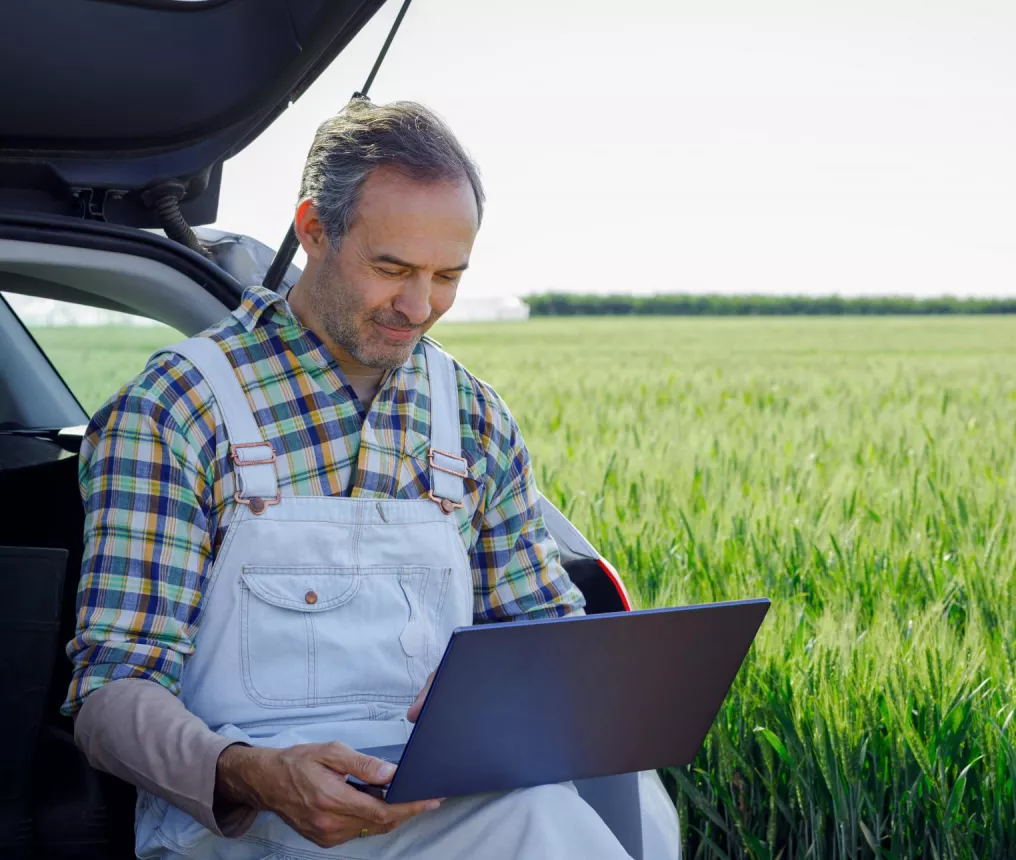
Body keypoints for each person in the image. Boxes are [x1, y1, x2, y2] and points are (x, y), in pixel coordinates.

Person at [65, 98, 636, 859]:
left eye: (447, 276)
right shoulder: (177, 409)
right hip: (242, 835)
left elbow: (546, 633)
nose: (419, 306)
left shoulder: (474, 418)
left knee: (546, 818)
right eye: (391, 269)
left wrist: (518, 689)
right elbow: (109, 695)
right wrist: (250, 773)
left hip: (450, 813)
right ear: (313, 230)